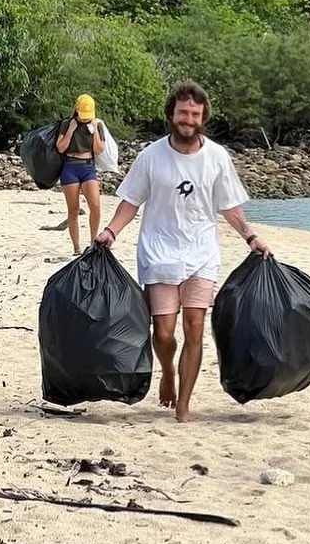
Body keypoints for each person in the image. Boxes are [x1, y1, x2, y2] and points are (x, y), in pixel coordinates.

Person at [94, 80, 272, 423]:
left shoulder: (217, 157)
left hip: (202, 253)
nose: (188, 119)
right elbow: (131, 201)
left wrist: (251, 238)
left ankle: (184, 406)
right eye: (182, 113)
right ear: (171, 115)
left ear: (203, 117)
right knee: (162, 332)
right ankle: (167, 371)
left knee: (194, 325)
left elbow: (230, 208)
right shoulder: (151, 156)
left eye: (195, 114)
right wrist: (110, 232)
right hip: (158, 253)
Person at [56, 94, 106, 255]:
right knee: (73, 209)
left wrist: (95, 130)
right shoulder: (67, 124)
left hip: (88, 167)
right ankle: (76, 247)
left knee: (95, 205)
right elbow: (61, 147)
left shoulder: (97, 125)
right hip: (70, 167)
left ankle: (93, 242)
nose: (84, 120)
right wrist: (71, 129)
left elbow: (99, 150)